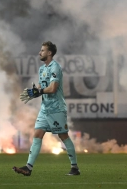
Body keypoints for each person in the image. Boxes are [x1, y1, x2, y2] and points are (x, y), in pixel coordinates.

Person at [13, 41, 80, 176]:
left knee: (63, 136)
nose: (40, 52)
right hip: (45, 109)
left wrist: (40, 91)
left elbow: (53, 88)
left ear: (49, 53)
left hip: (56, 108)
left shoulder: (55, 68)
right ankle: (28, 167)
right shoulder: (42, 69)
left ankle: (75, 168)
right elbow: (41, 86)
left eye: (42, 50)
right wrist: (34, 92)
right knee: (37, 135)